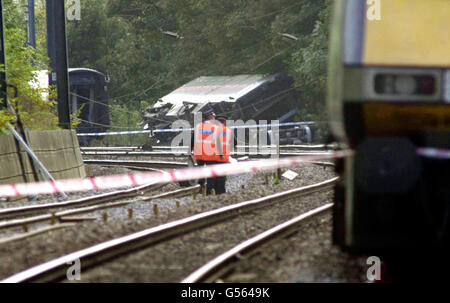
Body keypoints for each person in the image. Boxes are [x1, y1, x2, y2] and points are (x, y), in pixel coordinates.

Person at [191, 108, 229, 195]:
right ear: (211, 116)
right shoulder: (217, 127)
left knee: (207, 175)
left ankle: (205, 190)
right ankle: (219, 193)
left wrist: (190, 151)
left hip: (201, 154)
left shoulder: (199, 127)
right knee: (218, 177)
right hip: (215, 155)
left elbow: (192, 140)